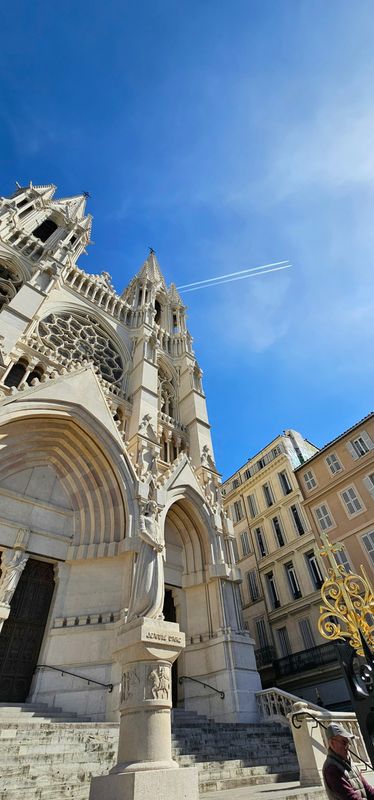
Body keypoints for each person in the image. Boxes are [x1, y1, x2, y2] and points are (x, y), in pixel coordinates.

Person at [323, 722, 374, 800]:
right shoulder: (331, 769)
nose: (348, 747)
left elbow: (368, 789)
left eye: (348, 743)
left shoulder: (350, 764)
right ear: (332, 743)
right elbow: (350, 797)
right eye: (344, 742)